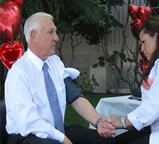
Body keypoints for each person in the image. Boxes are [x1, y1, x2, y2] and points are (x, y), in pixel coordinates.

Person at [5, 12, 116, 144]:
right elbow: (29, 122)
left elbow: (75, 97)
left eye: (55, 32)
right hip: (27, 136)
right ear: (33, 35)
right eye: (50, 32)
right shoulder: (19, 73)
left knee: (103, 141)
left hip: (56, 131)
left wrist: (99, 122)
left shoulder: (55, 62)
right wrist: (63, 140)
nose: (56, 38)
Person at [104, 16, 159, 144]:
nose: (142, 48)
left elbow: (154, 106)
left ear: (156, 37)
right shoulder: (155, 65)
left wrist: (123, 122)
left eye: (144, 42)